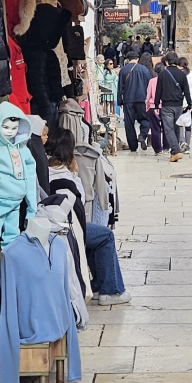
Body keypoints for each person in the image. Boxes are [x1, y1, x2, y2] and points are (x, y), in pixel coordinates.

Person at [46, 128, 129, 305]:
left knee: (94, 234)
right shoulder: (66, 172)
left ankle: (98, 284)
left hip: (48, 224)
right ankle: (111, 290)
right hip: (67, 227)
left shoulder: (41, 167)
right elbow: (80, 202)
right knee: (105, 235)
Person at [154, 53, 190, 162]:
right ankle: (174, 152)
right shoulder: (182, 74)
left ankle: (176, 150)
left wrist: (156, 104)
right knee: (176, 128)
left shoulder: (162, 74)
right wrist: (189, 104)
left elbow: (158, 90)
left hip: (167, 105)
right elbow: (186, 90)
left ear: (166, 61)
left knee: (168, 129)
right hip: (178, 105)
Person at [117, 54, 151, 152]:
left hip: (128, 99)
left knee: (129, 123)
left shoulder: (123, 70)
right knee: (145, 119)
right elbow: (149, 85)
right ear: (137, 59)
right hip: (142, 99)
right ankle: (142, 135)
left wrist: (120, 101)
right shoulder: (144, 69)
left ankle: (133, 146)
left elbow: (120, 87)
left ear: (128, 59)